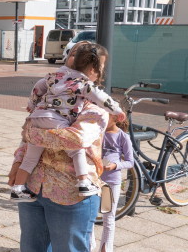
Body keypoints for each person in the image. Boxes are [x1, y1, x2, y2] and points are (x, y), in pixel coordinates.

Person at [6, 41, 111, 252]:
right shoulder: (49, 92)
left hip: (72, 194)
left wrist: (34, 133)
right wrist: (18, 160)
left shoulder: (95, 107)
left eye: (78, 64)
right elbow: (27, 129)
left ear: (95, 71)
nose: (69, 69)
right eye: (68, 61)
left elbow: (75, 138)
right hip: (34, 186)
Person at [11, 42, 124, 201]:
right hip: (56, 119)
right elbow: (101, 99)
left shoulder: (53, 77)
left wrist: (32, 107)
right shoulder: (84, 85)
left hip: (38, 116)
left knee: (30, 158)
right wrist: (117, 111)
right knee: (77, 149)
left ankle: (18, 189)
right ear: (93, 69)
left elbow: (38, 87)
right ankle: (84, 181)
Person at [92, 113, 134, 252]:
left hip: (109, 184)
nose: (101, 118)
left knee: (107, 216)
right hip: (92, 180)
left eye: (106, 116)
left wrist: (115, 165)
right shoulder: (97, 131)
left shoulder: (123, 137)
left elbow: (130, 161)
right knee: (88, 213)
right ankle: (87, 244)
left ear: (117, 118)